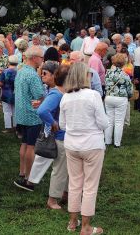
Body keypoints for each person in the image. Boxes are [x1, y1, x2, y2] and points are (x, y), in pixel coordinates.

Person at [59, 62, 108, 234]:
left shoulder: (66, 96)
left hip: (72, 144)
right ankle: (86, 227)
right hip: (92, 145)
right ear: (84, 76)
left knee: (74, 183)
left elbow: (63, 124)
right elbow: (103, 123)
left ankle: (73, 222)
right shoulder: (93, 95)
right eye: (89, 74)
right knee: (89, 186)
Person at [37, 64, 69, 209]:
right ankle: (52, 200)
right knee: (60, 169)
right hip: (60, 137)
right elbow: (43, 111)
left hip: (66, 136)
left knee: (66, 169)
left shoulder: (62, 92)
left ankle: (64, 194)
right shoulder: (57, 94)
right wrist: (53, 122)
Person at [13, 46, 45, 189]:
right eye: (41, 57)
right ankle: (28, 178)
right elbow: (39, 94)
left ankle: (22, 172)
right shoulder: (32, 75)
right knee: (31, 146)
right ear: (34, 58)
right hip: (32, 114)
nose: (43, 60)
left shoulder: (20, 71)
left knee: (25, 144)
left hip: (21, 113)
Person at [104, 53, 133, 148]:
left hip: (109, 97)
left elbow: (105, 83)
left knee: (109, 120)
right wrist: (129, 96)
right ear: (123, 63)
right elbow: (130, 89)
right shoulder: (125, 75)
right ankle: (117, 143)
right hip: (121, 98)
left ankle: (107, 141)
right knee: (119, 121)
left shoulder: (108, 72)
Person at [0, 55, 18, 133]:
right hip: (16, 94)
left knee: (7, 111)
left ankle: (8, 127)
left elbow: (0, 83)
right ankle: (16, 127)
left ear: (8, 62)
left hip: (6, 93)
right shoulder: (19, 71)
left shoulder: (5, 72)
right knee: (15, 111)